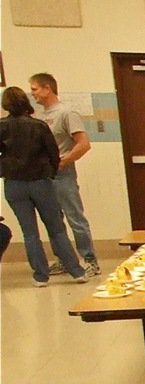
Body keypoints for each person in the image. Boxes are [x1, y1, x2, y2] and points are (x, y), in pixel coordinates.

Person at [0, 86, 88, 286]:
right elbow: (53, 154)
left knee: (29, 232)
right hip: (41, 182)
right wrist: (50, 172)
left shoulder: (1, 126)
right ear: (26, 102)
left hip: (14, 184)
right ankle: (76, 272)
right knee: (56, 229)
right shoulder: (38, 126)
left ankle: (41, 276)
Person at [28, 73, 100, 277]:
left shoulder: (67, 113)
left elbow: (83, 144)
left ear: (47, 88)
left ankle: (90, 260)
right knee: (54, 220)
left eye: (34, 89)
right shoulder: (38, 116)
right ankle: (64, 259)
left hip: (62, 174)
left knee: (74, 217)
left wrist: (63, 162)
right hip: (43, 176)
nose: (33, 94)